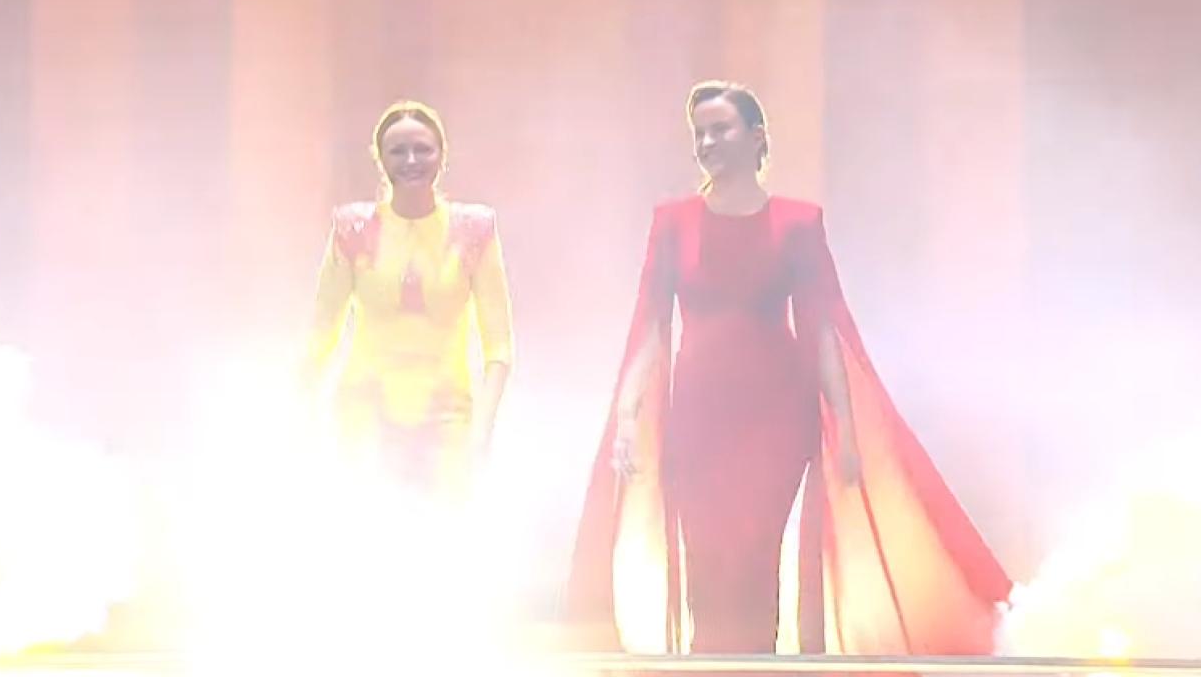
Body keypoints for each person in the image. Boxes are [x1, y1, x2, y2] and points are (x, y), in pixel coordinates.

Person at [563, 81, 1010, 658]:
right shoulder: (673, 223)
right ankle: (708, 664)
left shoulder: (798, 223)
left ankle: (755, 663)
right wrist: (628, 417)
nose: (707, 142)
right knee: (705, 556)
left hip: (774, 418)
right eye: (699, 133)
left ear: (756, 138)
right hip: (698, 416)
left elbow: (823, 330)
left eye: (720, 129)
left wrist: (845, 431)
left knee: (755, 553)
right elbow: (648, 327)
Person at [302, 99, 514, 501]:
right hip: (365, 409)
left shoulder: (475, 230)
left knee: (443, 528)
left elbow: (499, 348)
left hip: (449, 414)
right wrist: (305, 415)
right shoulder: (352, 229)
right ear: (380, 158)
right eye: (398, 151)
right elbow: (321, 336)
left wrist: (483, 429)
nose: (411, 160)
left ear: (442, 155)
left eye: (422, 149)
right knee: (372, 520)